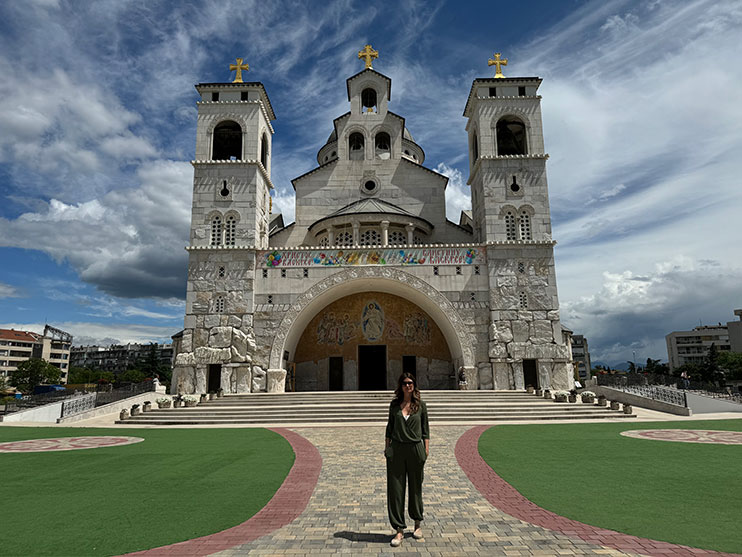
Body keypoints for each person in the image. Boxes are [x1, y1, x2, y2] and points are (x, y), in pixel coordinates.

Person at [385, 372, 429, 547]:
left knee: (416, 487)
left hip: (415, 449)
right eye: (404, 383)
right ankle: (399, 529)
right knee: (396, 490)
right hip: (396, 450)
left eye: (410, 383)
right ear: (400, 386)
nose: (407, 385)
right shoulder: (394, 405)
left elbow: (426, 429)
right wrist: (387, 448)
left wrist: (426, 450)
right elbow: (389, 428)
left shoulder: (420, 406)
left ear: (414, 385)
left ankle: (417, 524)